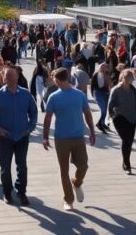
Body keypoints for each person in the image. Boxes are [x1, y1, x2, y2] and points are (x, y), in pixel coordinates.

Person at [42, 67, 96, 212]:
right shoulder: (54, 97)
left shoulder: (79, 95)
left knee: (83, 165)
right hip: (61, 138)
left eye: (54, 79)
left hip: (78, 136)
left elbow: (87, 113)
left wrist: (92, 131)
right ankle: (68, 199)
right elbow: (47, 118)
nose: (53, 81)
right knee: (64, 170)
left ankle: (77, 183)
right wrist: (45, 137)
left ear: (58, 80)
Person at [0, 66, 38, 206]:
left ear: (17, 76)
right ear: (3, 78)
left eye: (12, 75)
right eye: (6, 76)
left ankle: (21, 191)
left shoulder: (26, 94)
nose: (9, 78)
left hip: (22, 136)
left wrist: (30, 127)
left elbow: (33, 112)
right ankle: (7, 192)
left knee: (22, 165)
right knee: (5, 166)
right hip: (5, 137)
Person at [107, 69, 136, 175]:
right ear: (124, 78)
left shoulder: (134, 91)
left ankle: (125, 159)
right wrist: (109, 118)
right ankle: (127, 164)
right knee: (125, 139)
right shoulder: (116, 90)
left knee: (129, 142)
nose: (132, 80)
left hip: (132, 118)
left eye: (132, 78)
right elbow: (110, 105)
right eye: (130, 78)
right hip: (119, 118)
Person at [90, 63, 112, 134]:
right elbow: (92, 85)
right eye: (104, 66)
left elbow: (109, 84)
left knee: (106, 110)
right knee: (103, 110)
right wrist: (92, 94)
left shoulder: (108, 74)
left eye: (106, 66)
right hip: (98, 93)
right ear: (100, 67)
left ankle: (102, 123)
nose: (105, 67)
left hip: (106, 93)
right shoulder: (96, 74)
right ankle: (99, 124)